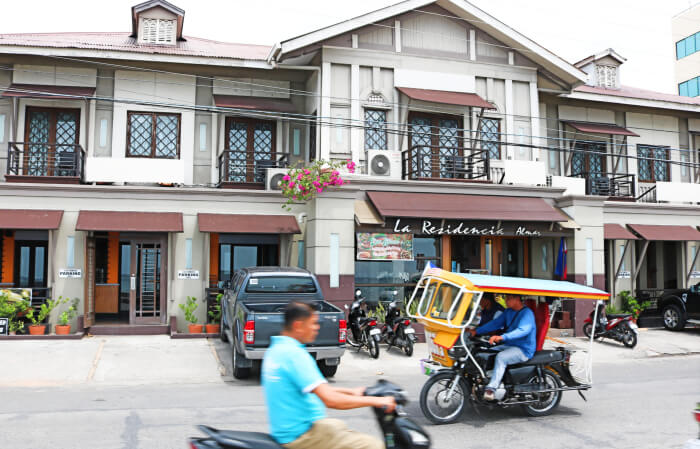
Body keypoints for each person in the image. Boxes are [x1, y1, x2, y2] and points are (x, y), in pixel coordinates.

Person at [262, 301, 395, 449]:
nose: (317, 328)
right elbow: (330, 400)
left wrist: (354, 392)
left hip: (295, 431)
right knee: (374, 446)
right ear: (298, 326)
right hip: (303, 436)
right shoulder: (294, 355)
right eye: (313, 323)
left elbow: (316, 388)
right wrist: (378, 401)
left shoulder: (276, 350)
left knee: (338, 426)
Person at [468, 294, 536, 401]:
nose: (506, 301)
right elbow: (495, 323)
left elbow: (523, 330)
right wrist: (477, 331)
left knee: (501, 357)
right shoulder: (508, 312)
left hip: (523, 349)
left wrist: (502, 337)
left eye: (508, 298)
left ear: (517, 299)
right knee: (485, 352)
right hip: (510, 345)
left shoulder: (527, 314)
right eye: (506, 298)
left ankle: (491, 389)